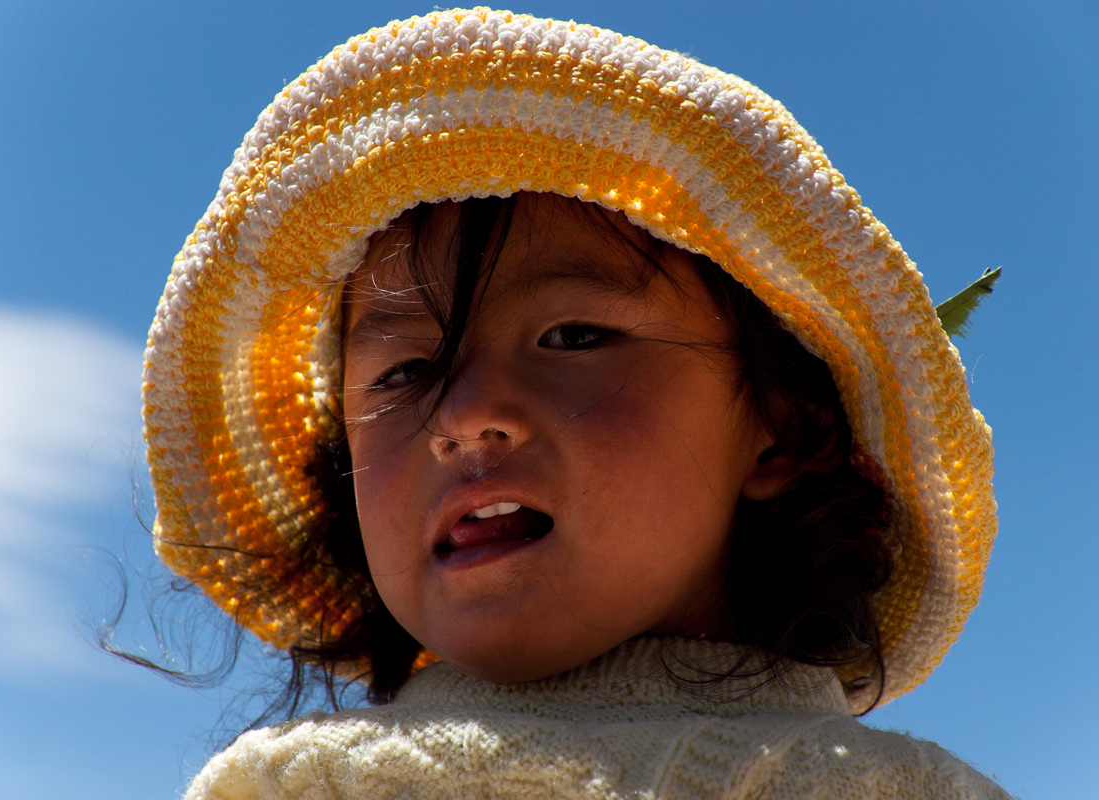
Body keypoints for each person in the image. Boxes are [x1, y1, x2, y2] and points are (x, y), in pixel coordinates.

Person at [141, 8, 1009, 798]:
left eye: (575, 338)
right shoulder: (291, 787)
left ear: (784, 427)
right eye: (403, 373)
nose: (462, 416)